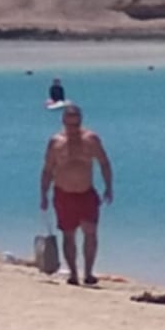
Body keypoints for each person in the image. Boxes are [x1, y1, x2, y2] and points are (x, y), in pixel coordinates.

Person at [41, 103, 115, 287]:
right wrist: (43, 194)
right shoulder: (56, 142)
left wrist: (108, 186)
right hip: (63, 194)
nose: (73, 129)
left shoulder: (91, 139)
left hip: (85, 193)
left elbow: (104, 163)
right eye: (69, 124)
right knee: (68, 235)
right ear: (63, 121)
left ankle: (88, 272)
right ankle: (73, 273)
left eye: (76, 124)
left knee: (90, 232)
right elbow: (48, 169)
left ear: (81, 121)